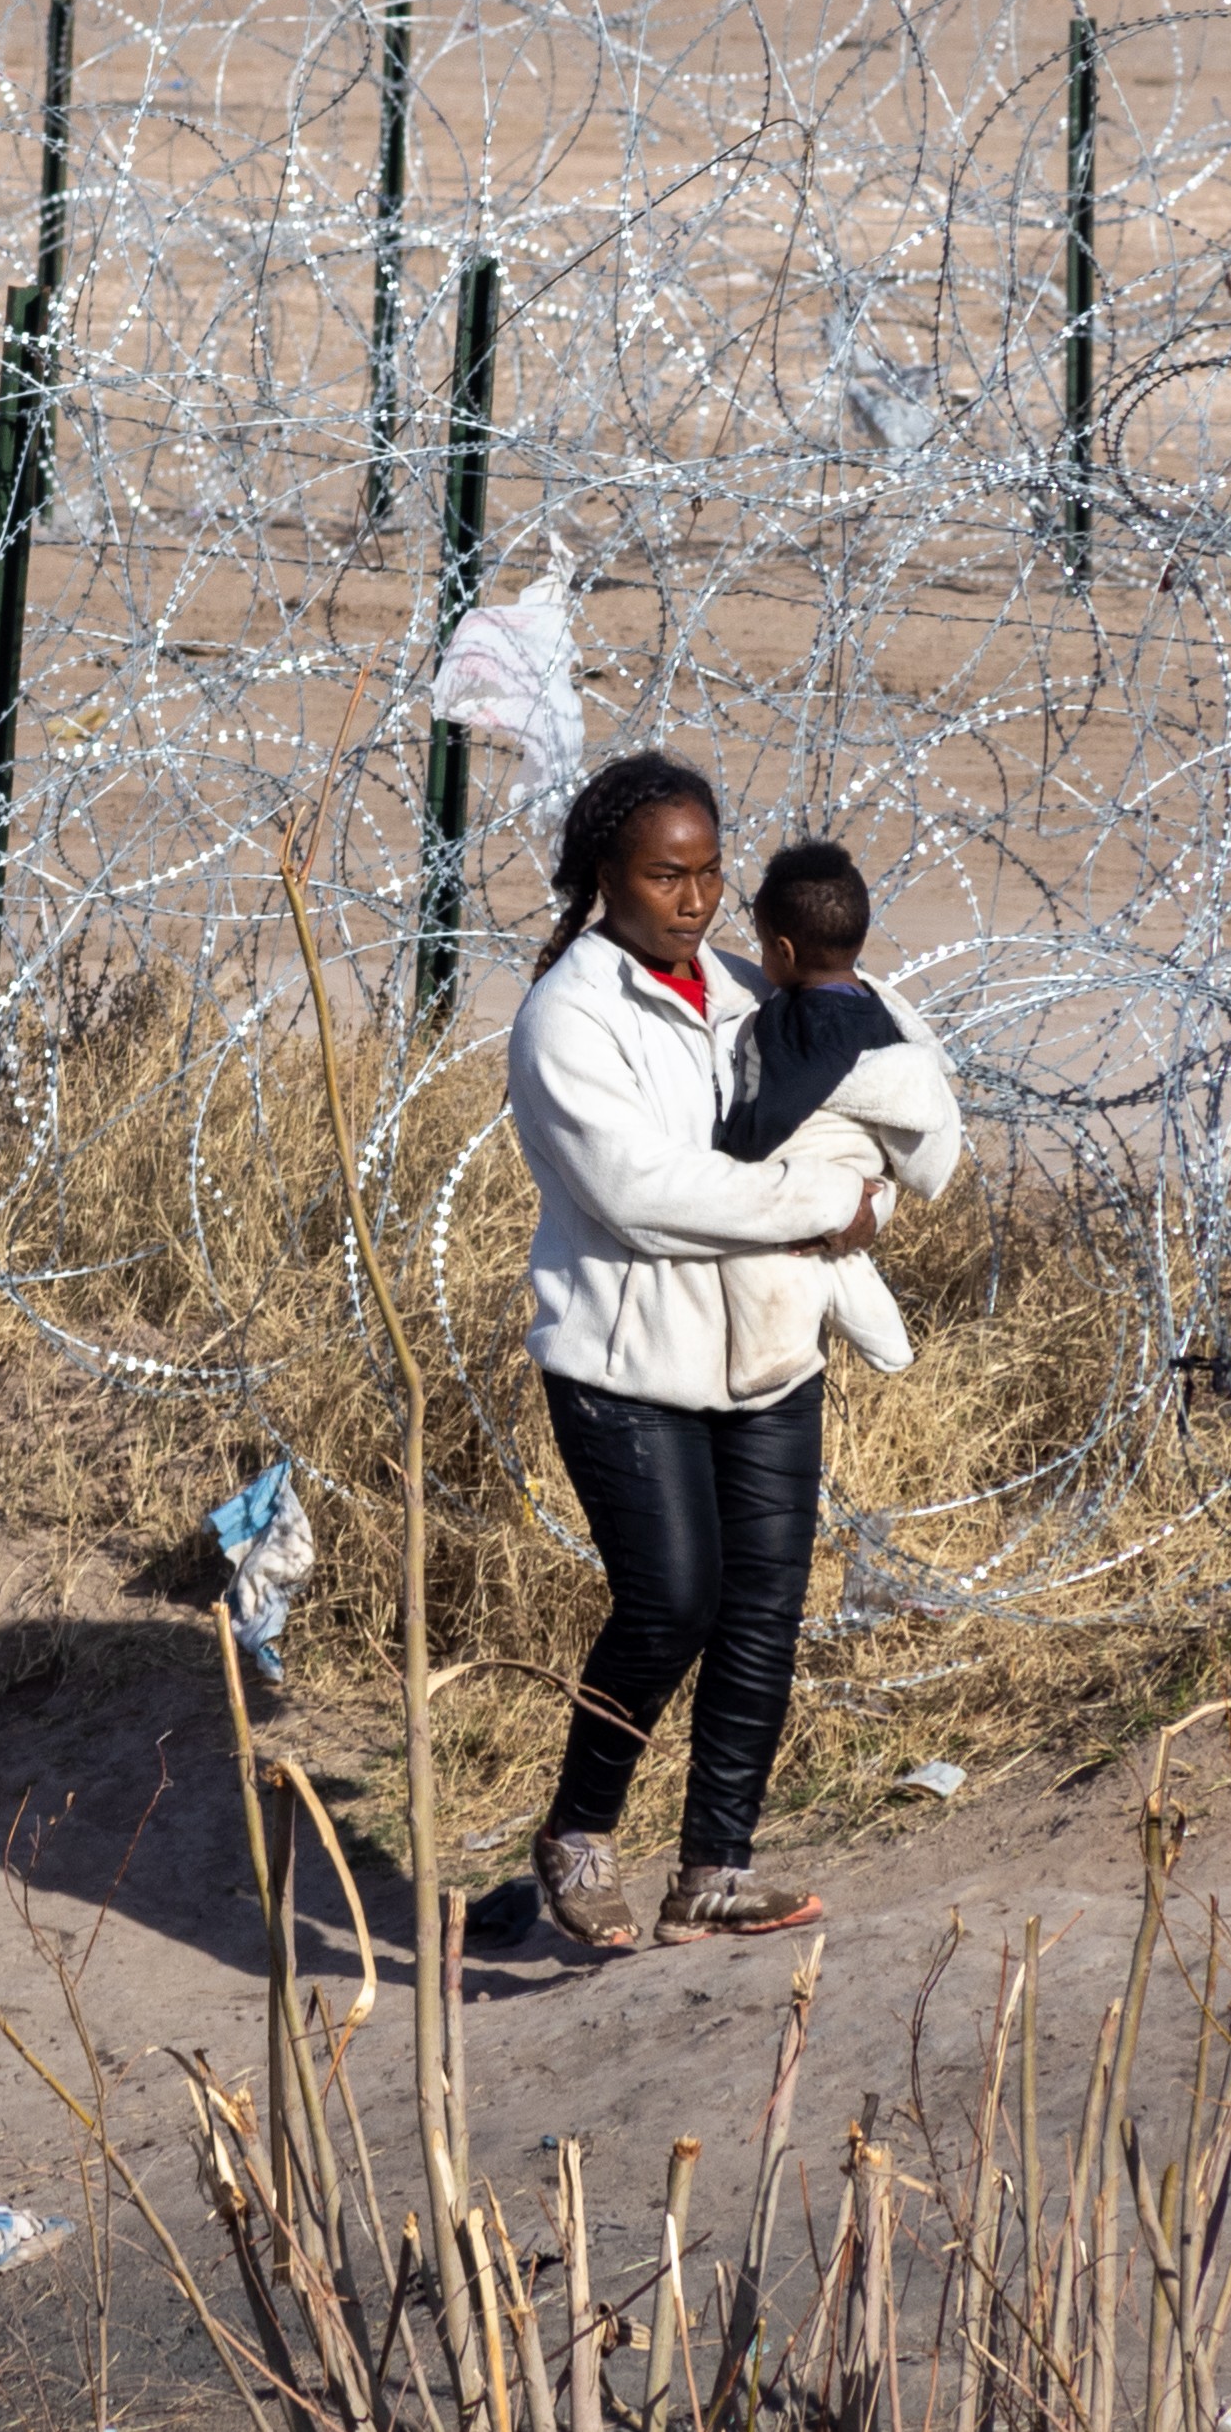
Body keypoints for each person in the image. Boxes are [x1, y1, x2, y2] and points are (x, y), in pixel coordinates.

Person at [482, 751, 881, 1952]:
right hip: (623, 1366)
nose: (694, 898)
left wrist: (858, 1199)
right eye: (666, 875)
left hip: (767, 1347)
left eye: (709, 873)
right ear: (607, 873)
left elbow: (856, 1122)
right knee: (669, 1600)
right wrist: (811, 1202)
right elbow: (639, 1194)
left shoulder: (756, 990)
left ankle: (715, 1863)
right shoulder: (569, 1017)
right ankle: (578, 1832)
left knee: (762, 1607)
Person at [714, 838, 962, 1405]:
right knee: (843, 1267)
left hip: (814, 1169)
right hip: (858, 1186)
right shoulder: (873, 1004)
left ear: (783, 949)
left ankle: (767, 1365)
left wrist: (737, 1146)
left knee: (763, 1270)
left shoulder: (809, 1027)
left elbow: (786, 1101)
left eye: (762, 948)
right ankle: (886, 1340)